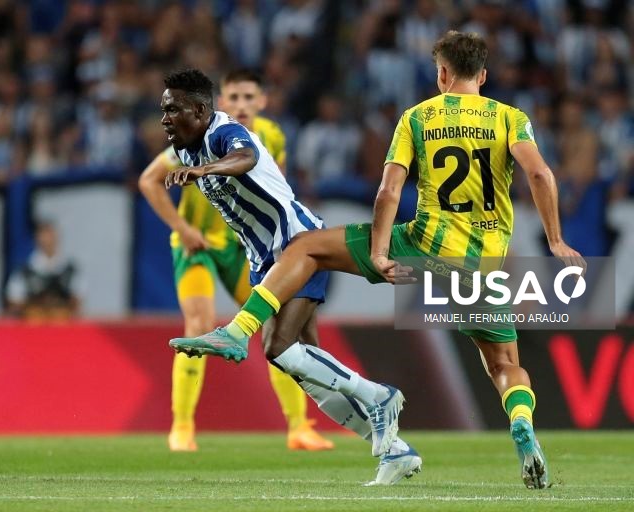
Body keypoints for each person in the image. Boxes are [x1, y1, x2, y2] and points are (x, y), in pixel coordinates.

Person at [173, 32, 587, 490]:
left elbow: (389, 192)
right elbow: (539, 173)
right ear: (484, 76)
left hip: (421, 250)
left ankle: (241, 332)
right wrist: (556, 240)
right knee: (504, 364)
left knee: (307, 247)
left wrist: (378, 252)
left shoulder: (418, 118)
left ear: (442, 74)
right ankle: (520, 423)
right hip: (481, 269)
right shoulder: (510, 118)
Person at [162, 68, 420, 485]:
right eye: (163, 110)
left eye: (172, 109)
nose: (164, 118)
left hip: (297, 242)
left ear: (200, 109)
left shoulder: (224, 132)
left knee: (278, 347)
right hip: (263, 258)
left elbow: (246, 158)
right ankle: (392, 448)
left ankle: (379, 396)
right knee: (307, 367)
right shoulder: (185, 151)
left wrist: (206, 171)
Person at [139, 69, 333, 452]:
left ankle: (299, 426)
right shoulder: (190, 137)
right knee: (198, 321)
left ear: (261, 102)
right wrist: (181, 226)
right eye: (235, 98)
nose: (242, 106)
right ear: (218, 103)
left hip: (243, 247)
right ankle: (181, 428)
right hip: (197, 244)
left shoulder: (270, 137)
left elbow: (269, 180)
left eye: (249, 98)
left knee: (276, 324)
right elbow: (149, 179)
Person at [6, 220, 83, 321]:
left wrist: (58, 308)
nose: (48, 239)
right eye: (44, 235)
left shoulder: (71, 269)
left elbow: (77, 302)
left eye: (51, 234)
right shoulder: (23, 271)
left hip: (63, 327)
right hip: (33, 328)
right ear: (37, 238)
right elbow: (14, 302)